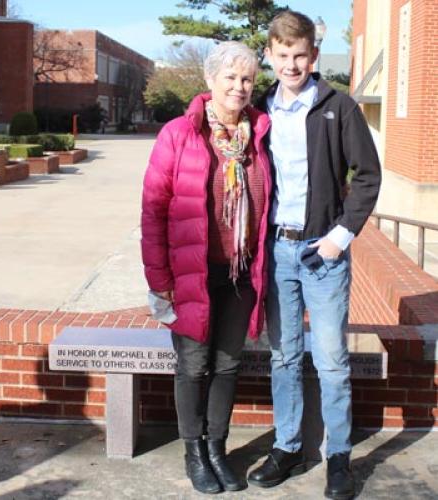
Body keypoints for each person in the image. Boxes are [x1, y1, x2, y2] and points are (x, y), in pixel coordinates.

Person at [247, 10, 381, 500]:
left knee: (330, 360)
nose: (291, 63)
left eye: (300, 54)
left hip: (323, 251)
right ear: (270, 56)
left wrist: (340, 237)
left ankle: (338, 457)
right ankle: (286, 448)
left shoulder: (338, 107)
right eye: (282, 55)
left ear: (314, 56)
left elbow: (367, 176)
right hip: (277, 250)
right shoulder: (260, 112)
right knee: (283, 357)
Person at [141, 41, 271, 494]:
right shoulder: (179, 133)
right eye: (231, 77)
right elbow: (154, 210)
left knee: (228, 364)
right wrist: (160, 281)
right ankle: (194, 451)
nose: (239, 87)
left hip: (240, 273)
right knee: (193, 367)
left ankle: (218, 448)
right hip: (190, 274)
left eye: (247, 79)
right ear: (210, 80)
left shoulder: (257, 135)